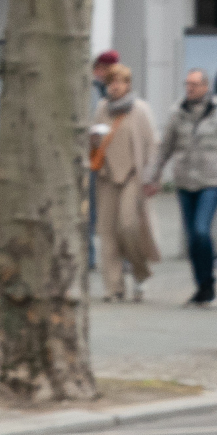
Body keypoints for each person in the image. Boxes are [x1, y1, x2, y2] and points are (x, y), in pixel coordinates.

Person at [151, 67, 217, 307]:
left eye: (194, 84)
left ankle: (208, 283)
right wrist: (154, 174)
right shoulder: (176, 113)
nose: (189, 88)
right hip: (184, 181)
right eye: (187, 84)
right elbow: (165, 147)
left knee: (202, 230)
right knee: (192, 237)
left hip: (211, 181)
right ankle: (202, 285)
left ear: (205, 87)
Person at [91, 68, 158, 302]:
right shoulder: (101, 108)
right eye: (111, 82)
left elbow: (152, 145)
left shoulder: (139, 110)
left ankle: (140, 273)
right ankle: (113, 288)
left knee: (128, 226)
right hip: (107, 176)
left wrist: (150, 177)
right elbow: (94, 143)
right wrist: (93, 140)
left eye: (119, 82)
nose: (114, 86)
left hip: (132, 176)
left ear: (128, 85)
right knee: (106, 232)